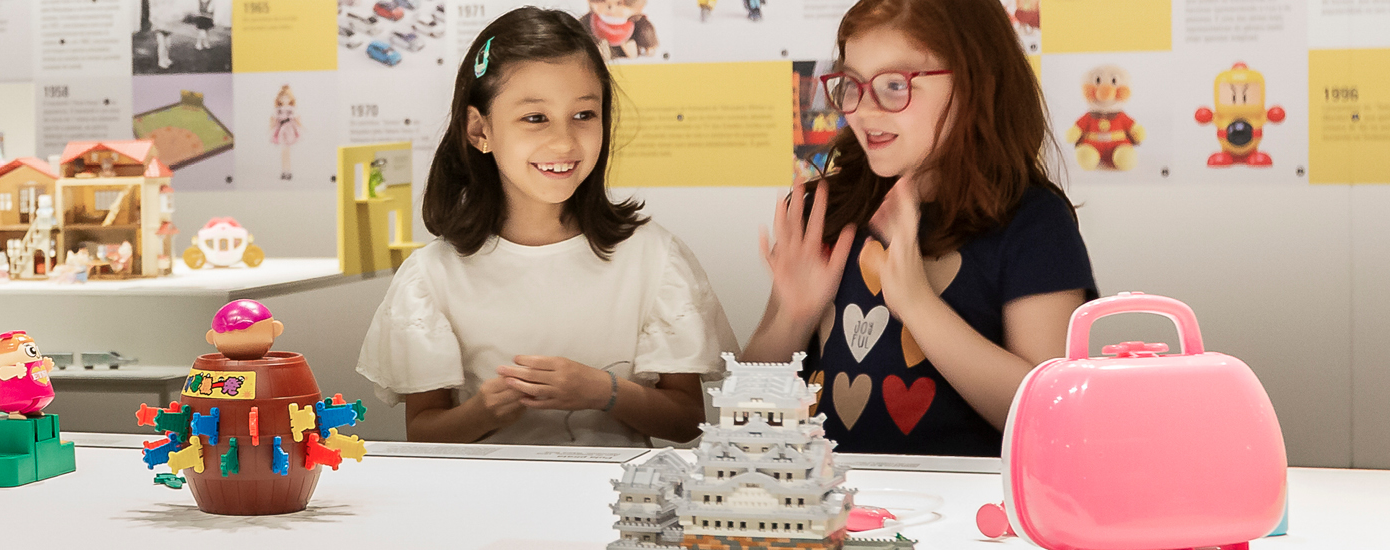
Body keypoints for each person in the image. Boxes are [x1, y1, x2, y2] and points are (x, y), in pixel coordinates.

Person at [356, 7, 734, 447]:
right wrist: (483, 411)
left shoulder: (653, 256)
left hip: (616, 509)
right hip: (482, 508)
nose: (564, 142)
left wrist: (604, 391)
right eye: (535, 118)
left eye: (584, 115)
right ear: (480, 130)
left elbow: (687, 421)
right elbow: (422, 432)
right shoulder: (432, 275)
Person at [742, 0, 1095, 456]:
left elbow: (1052, 415)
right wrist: (793, 319)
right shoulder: (822, 208)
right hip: (827, 507)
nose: (864, 111)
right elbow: (747, 412)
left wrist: (917, 304)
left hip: (972, 517)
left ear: (974, 83)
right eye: (850, 84)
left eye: (894, 84)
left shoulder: (1033, 224)